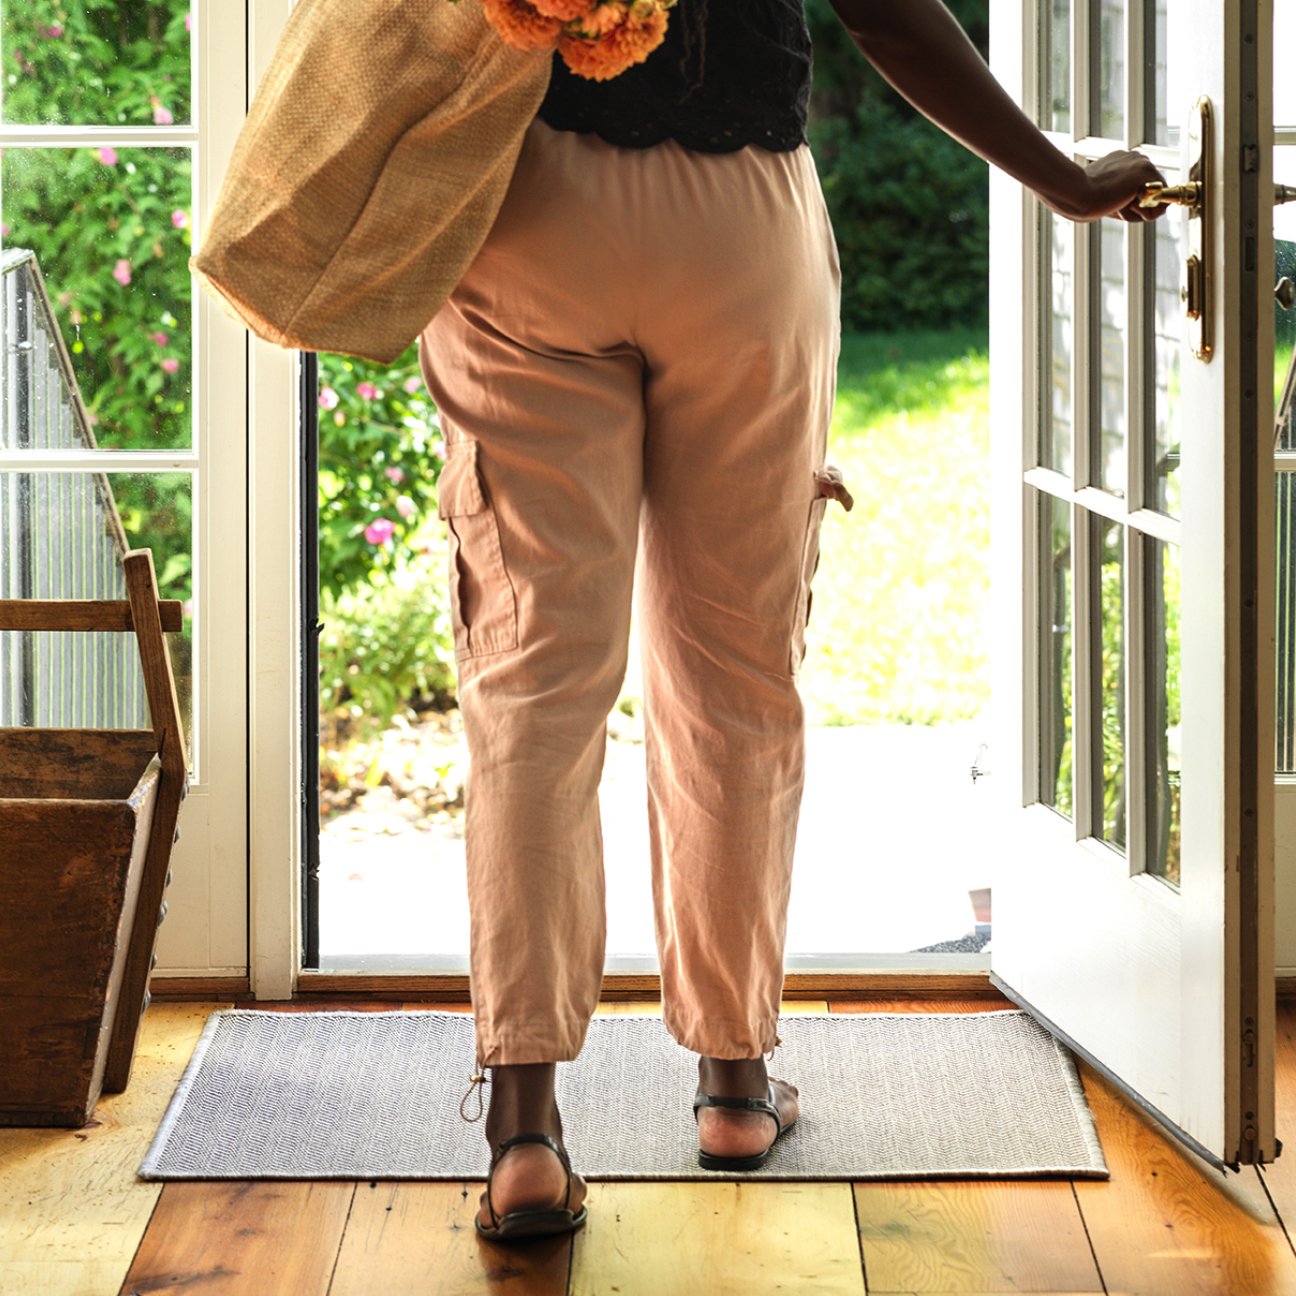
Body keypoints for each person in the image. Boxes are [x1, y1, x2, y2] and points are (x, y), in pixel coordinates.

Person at [417, 0, 1166, 1243]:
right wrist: (1061, 178)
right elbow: (889, 15)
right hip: (741, 222)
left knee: (534, 683)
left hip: (530, 209)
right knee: (733, 669)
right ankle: (733, 1083)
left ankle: (525, 1135)